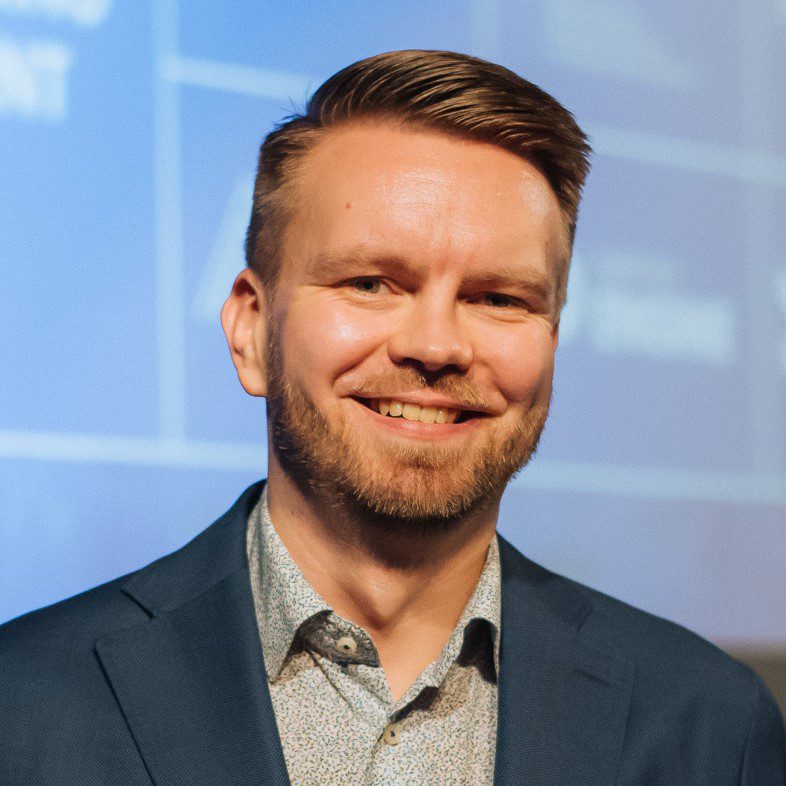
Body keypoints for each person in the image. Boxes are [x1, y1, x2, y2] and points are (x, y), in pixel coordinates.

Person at [1, 49, 784, 786]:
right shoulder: (24, 706)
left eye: (497, 298)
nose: (436, 346)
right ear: (250, 330)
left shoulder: (709, 728)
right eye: (371, 283)